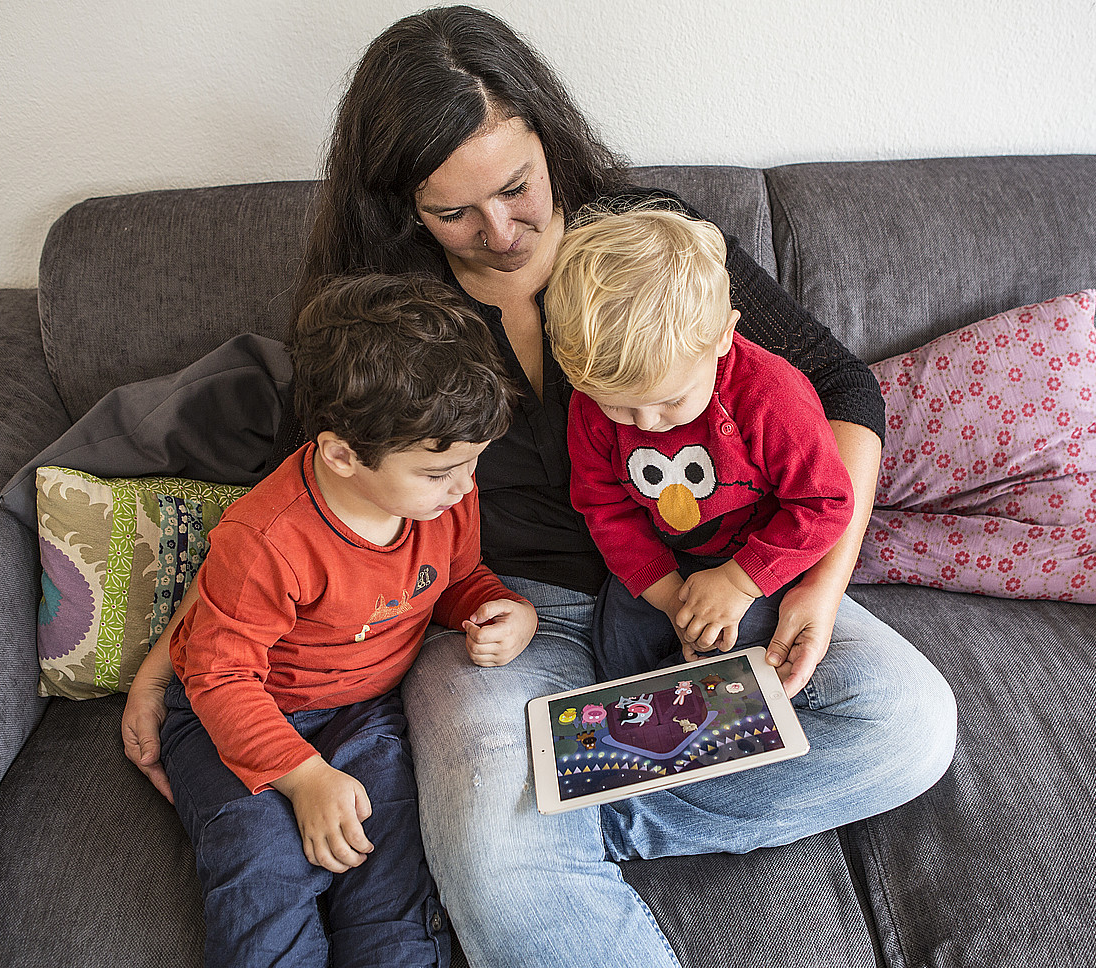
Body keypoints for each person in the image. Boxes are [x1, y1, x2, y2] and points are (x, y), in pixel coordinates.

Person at [123, 7, 957, 967]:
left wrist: (815, 585)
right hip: (506, 614)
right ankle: (515, 844)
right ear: (404, 207)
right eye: (454, 213)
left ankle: (546, 828)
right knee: (502, 866)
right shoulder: (382, 308)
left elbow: (839, 388)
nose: (501, 232)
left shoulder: (653, 244)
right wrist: (173, 652)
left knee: (905, 724)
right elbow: (303, 490)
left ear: (549, 140)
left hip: (712, 587)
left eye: (518, 189)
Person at [159, 272, 537, 968]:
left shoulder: (446, 501)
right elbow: (219, 675)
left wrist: (504, 610)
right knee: (261, 870)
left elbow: (455, 582)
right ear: (340, 454)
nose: (465, 487)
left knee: (392, 873)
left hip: (365, 714)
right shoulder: (268, 538)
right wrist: (302, 777)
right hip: (235, 713)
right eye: (440, 471)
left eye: (474, 464)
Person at [545, 206, 856, 678]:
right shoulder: (591, 403)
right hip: (661, 562)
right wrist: (671, 598)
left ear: (723, 338)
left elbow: (825, 502)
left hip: (759, 555)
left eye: (670, 401)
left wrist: (739, 581)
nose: (646, 424)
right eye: (622, 408)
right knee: (619, 663)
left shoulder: (769, 394)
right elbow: (606, 509)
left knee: (742, 662)